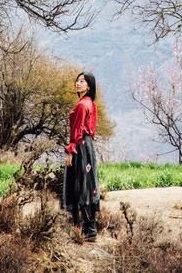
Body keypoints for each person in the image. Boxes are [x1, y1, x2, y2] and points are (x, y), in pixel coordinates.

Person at [62, 72, 100, 240]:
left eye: (82, 81)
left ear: (89, 86)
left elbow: (76, 131)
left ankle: (85, 228)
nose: (78, 83)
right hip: (88, 147)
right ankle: (89, 226)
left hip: (80, 146)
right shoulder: (91, 103)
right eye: (77, 80)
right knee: (88, 183)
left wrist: (70, 151)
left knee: (79, 184)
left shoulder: (81, 106)